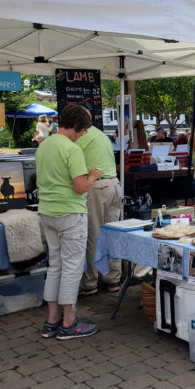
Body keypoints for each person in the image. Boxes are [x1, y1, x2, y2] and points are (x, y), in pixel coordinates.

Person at [36, 105, 103, 340]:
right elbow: (80, 187)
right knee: (72, 267)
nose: (82, 134)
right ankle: (69, 321)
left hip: (47, 212)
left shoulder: (44, 146)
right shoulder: (72, 150)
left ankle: (51, 320)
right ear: (77, 126)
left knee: (55, 265)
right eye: (83, 130)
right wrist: (93, 175)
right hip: (70, 213)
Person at [75, 125, 123, 297]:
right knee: (112, 235)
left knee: (93, 235)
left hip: (97, 186)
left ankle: (90, 282)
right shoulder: (101, 134)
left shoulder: (80, 135)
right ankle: (113, 279)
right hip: (114, 185)